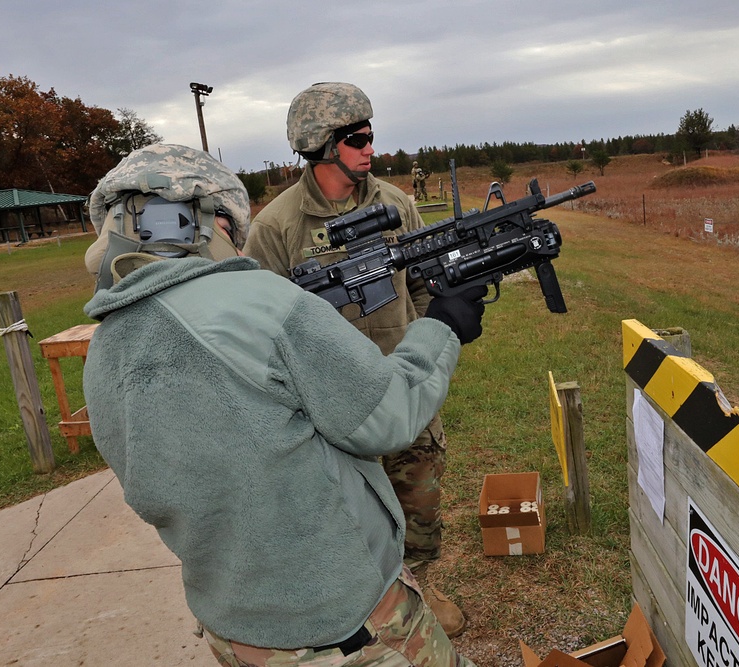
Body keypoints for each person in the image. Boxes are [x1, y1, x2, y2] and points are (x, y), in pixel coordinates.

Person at [81, 143, 484, 667]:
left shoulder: (105, 348)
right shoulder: (264, 301)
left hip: (233, 627)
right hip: (343, 623)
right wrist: (442, 326)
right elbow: (389, 417)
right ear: (210, 223)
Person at [243, 82, 466, 636]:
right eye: (357, 137)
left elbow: (422, 284)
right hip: (329, 406)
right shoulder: (276, 227)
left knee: (419, 505)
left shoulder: (397, 204)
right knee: (344, 517)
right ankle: (361, 610)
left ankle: (417, 593)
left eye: (371, 134)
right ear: (320, 145)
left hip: (401, 387)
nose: (370, 146)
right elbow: (260, 328)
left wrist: (425, 345)